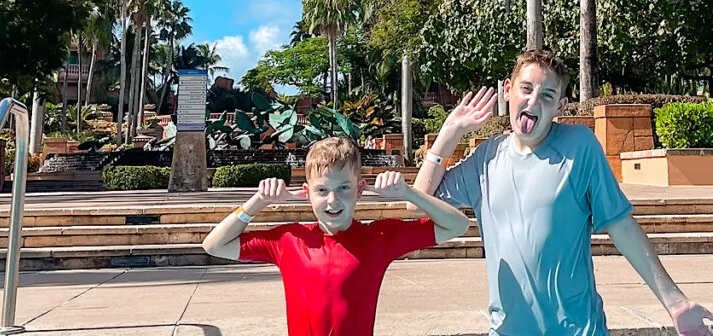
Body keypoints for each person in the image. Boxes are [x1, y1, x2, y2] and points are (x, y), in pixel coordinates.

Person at [415, 49, 713, 336]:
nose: (533, 102)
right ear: (508, 90)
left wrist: (676, 303)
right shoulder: (486, 159)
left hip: (579, 329)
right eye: (526, 88)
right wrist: (450, 131)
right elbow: (419, 203)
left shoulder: (579, 147)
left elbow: (620, 225)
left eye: (547, 96)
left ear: (560, 106)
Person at [202, 134, 469, 335]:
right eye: (322, 190)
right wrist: (258, 201)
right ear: (307, 193)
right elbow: (213, 244)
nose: (332, 200)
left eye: (343, 188)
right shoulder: (290, 241)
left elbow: (457, 225)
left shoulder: (379, 238)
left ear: (359, 190)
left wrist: (409, 193)